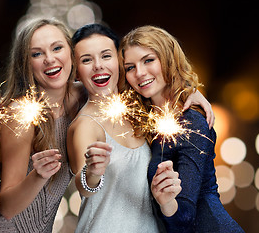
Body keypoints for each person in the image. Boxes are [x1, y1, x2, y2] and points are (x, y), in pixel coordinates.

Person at [0, 18, 85, 232]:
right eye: (37, 54)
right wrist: (38, 176)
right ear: (26, 63)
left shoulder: (84, 97)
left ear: (71, 52)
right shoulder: (21, 113)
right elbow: (8, 207)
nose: (50, 59)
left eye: (57, 48)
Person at [119, 25, 244, 233]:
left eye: (148, 60)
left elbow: (184, 218)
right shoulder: (147, 118)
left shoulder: (191, 121)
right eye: (130, 67)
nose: (139, 73)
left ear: (168, 59)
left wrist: (166, 201)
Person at [67, 23, 183, 233]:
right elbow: (84, 187)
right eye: (86, 60)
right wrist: (92, 172)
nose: (98, 66)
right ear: (76, 72)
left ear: (120, 63)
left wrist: (193, 95)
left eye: (106, 56)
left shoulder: (137, 109)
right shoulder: (85, 125)